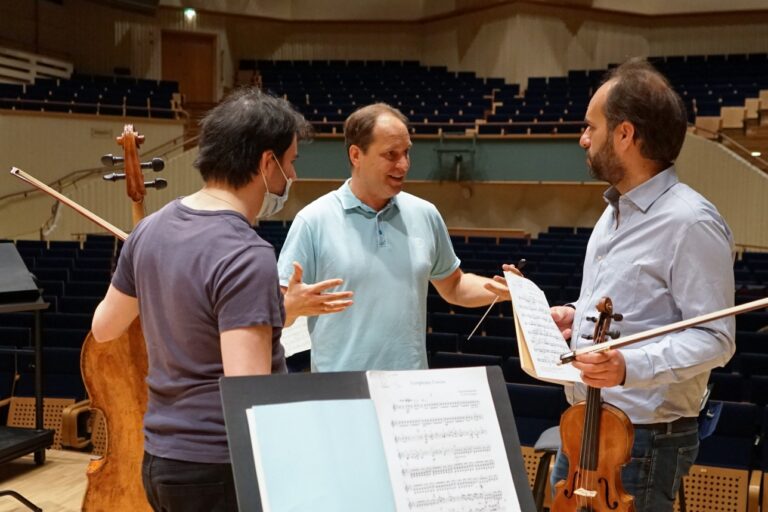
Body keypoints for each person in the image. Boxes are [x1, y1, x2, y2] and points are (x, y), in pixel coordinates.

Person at [91, 88, 318, 512]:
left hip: (161, 459)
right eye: (291, 162)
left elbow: (104, 328)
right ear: (267, 163)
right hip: (219, 468)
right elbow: (247, 391)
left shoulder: (149, 230)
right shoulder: (246, 253)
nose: (293, 175)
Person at [547, 58, 736, 511]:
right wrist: (576, 315)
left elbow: (716, 340)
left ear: (625, 134)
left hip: (643, 441)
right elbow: (624, 305)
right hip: (583, 426)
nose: (583, 139)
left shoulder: (691, 222)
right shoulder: (613, 213)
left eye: (591, 127)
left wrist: (629, 367)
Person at [277, 103, 510, 372]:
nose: (404, 164)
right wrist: (290, 308)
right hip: (340, 393)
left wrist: (502, 292)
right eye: (391, 154)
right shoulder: (313, 220)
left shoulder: (425, 214)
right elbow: (277, 312)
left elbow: (455, 287)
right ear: (356, 155)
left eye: (406, 152)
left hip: (408, 393)